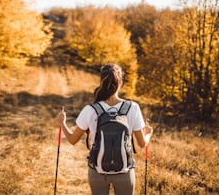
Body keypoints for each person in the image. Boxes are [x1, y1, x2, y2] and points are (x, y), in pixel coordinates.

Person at [56, 63, 153, 195]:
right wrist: (148, 134)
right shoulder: (133, 107)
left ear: (101, 82)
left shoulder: (90, 109)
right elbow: (141, 144)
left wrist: (62, 123)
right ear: (121, 82)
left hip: (97, 171)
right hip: (125, 172)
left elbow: (73, 140)